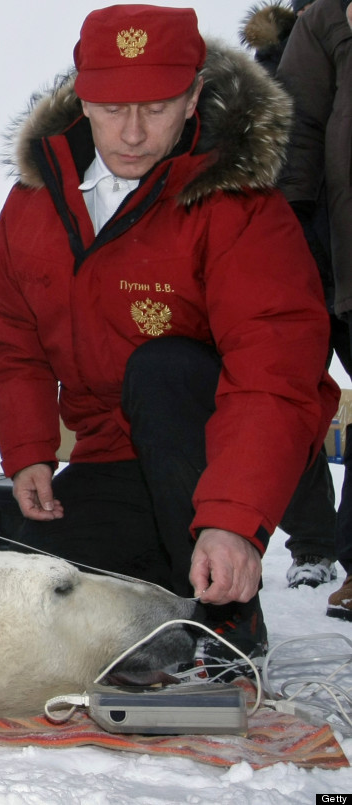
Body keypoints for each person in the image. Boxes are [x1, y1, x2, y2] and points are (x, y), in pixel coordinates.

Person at [0, 5, 339, 672]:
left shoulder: (242, 206)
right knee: (27, 588)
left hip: (226, 453)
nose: (134, 133)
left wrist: (234, 518)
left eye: (159, 105)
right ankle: (172, 589)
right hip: (114, 456)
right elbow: (9, 331)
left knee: (164, 366)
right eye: (112, 108)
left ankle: (228, 617)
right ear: (82, 97)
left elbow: (273, 373)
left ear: (195, 94)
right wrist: (28, 449)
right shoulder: (35, 200)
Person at [239, 0, 338, 591]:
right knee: (290, 396)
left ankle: (327, 546)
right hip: (290, 240)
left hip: (337, 235)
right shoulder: (268, 60)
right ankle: (314, 546)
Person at [277, 0, 352, 620]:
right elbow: (295, 135)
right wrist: (284, 235)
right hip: (317, 242)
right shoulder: (322, 22)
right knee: (289, 397)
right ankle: (314, 544)